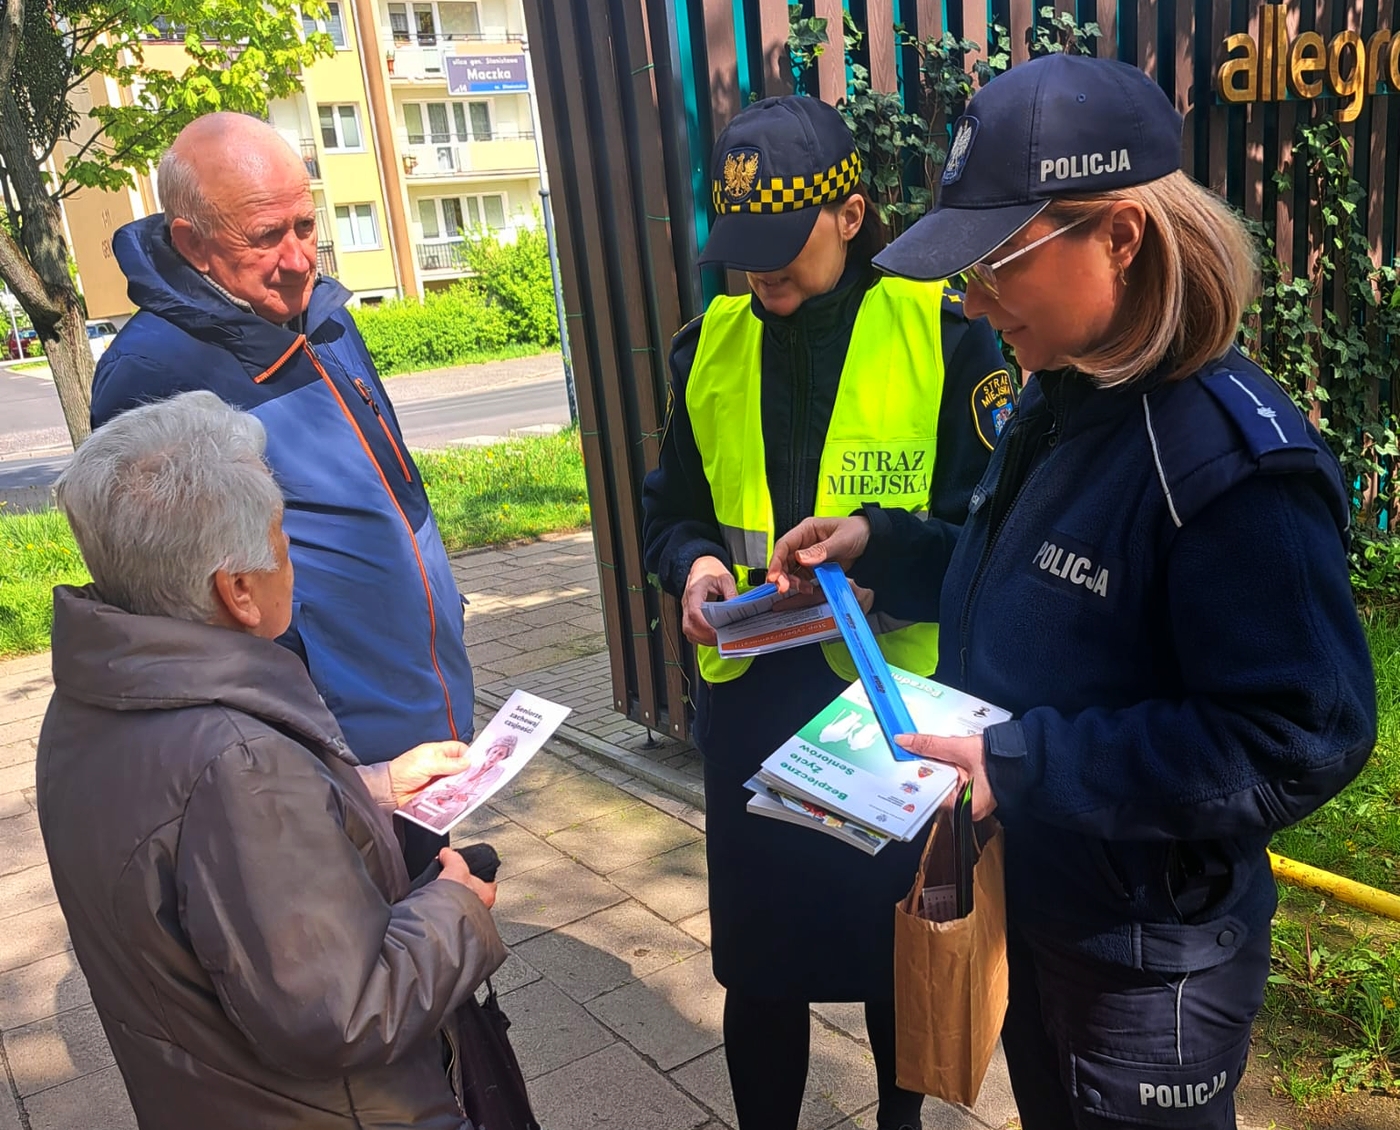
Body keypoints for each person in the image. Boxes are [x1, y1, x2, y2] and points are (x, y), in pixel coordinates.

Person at [768, 55, 1378, 1129]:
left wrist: (1021, 762)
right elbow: (1025, 571)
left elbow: (1302, 732)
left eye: (998, 260)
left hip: (1147, 963)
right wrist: (885, 546)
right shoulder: (1066, 391)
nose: (970, 296)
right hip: (1043, 896)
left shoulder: (1229, 463)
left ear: (1120, 236)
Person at [641, 95, 1008, 1130]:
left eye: (782, 242)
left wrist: (879, 544)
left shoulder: (942, 336)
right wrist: (696, 569)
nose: (757, 272)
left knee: (893, 956)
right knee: (759, 967)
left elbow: (984, 541)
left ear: (849, 214)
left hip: (889, 708)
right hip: (752, 706)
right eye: (741, 246)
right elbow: (668, 510)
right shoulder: (706, 345)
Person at [36, 391, 507, 1129]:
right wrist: (456, 910)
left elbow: (193, 841)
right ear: (238, 591)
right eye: (281, 537)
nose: (291, 557)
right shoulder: (243, 762)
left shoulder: (97, 699)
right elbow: (341, 1013)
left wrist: (368, 789)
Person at [90, 112, 472, 875]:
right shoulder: (152, 375)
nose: (299, 259)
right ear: (192, 240)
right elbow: (187, 615)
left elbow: (389, 499)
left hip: (418, 712)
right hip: (334, 754)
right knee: (375, 959)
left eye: (308, 223)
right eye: (266, 236)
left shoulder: (319, 316)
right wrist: (313, 760)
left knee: (441, 925)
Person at [399, 733, 517, 831]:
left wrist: (464, 797)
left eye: (500, 754)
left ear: (504, 757)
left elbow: (481, 791)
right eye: (494, 751)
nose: (495, 756)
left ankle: (429, 830)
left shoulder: (498, 771)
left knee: (458, 806)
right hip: (448, 789)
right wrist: (448, 788)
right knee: (426, 795)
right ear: (489, 750)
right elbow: (451, 777)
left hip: (461, 798)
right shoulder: (473, 760)